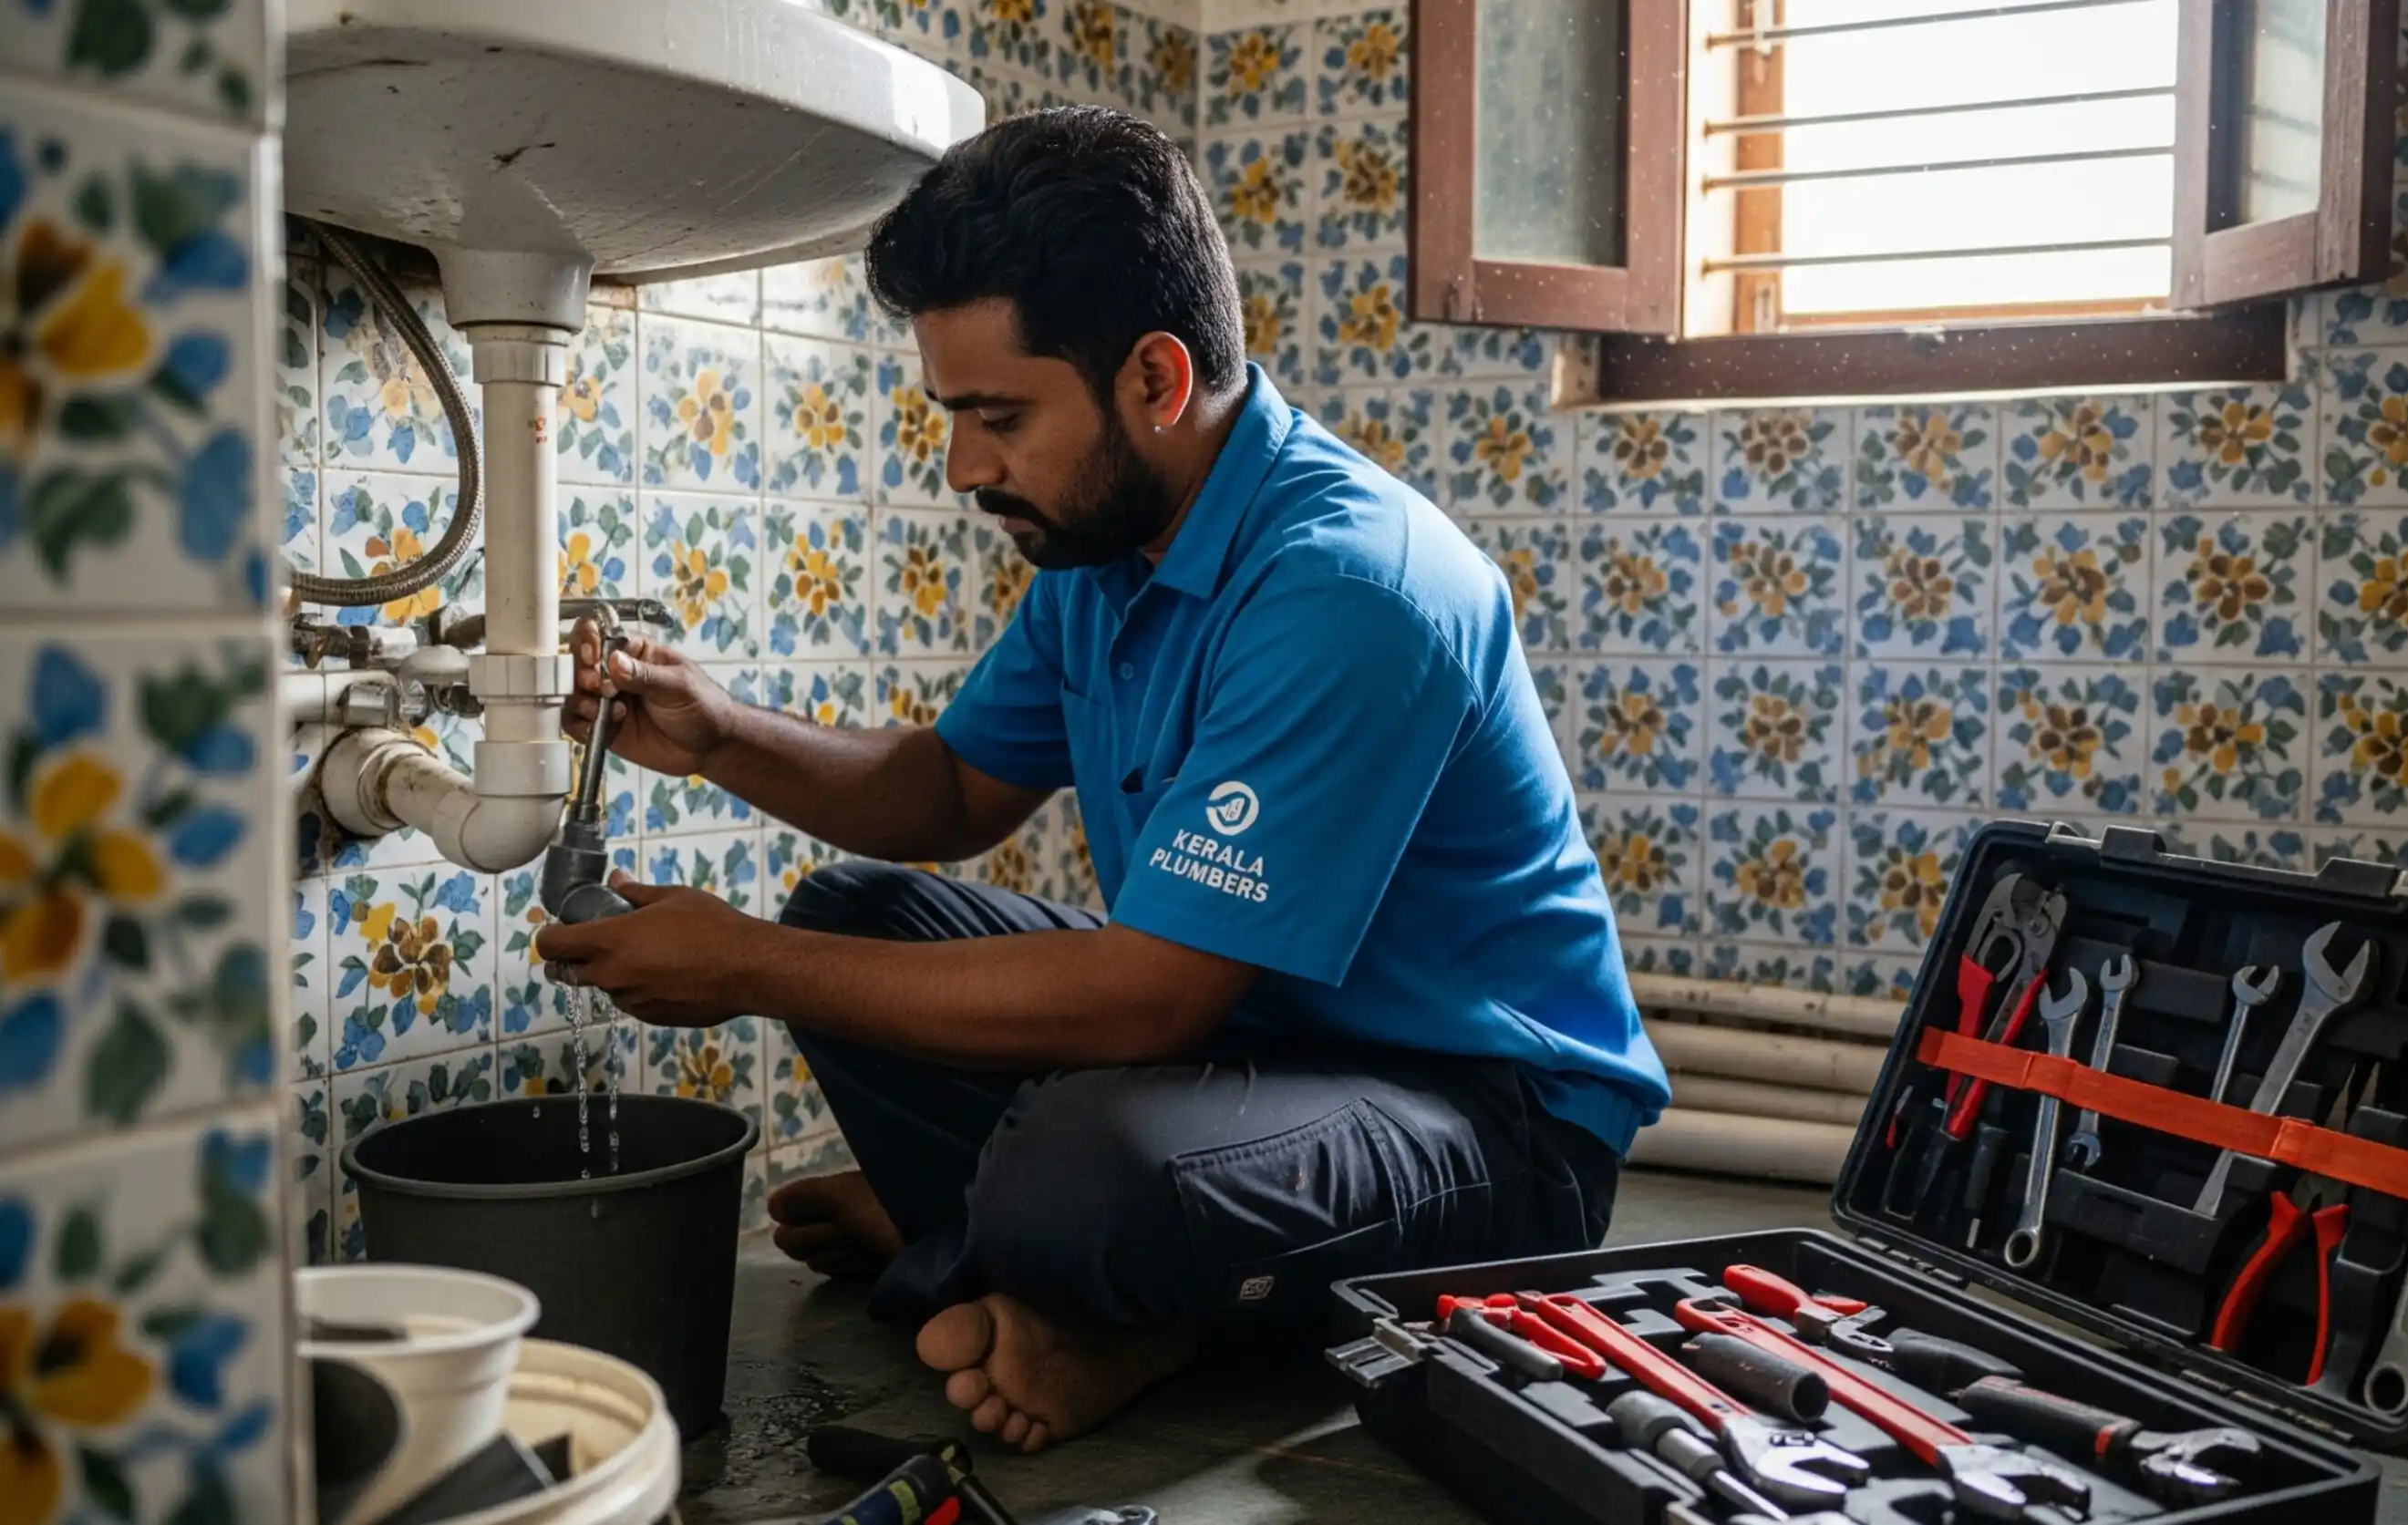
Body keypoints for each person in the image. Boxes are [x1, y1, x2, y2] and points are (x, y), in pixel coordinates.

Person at [531, 105, 1667, 1453]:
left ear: (1156, 380)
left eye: (999, 415)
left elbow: (1149, 997)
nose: (965, 468)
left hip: (1489, 1121)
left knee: (1080, 1172)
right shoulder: (1108, 541)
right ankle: (1039, 1261)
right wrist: (722, 733)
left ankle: (1085, 1290)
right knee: (852, 916)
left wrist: (745, 969)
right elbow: (952, 792)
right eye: (953, 414)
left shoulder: (1351, 585)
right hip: (1250, 1047)